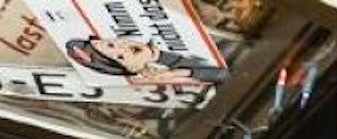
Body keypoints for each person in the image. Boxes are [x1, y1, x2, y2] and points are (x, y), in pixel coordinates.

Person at [64, 33, 225, 88]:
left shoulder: (158, 47)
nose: (122, 48)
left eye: (111, 44)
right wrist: (184, 72)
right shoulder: (171, 65)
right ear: (134, 70)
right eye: (120, 57)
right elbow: (227, 74)